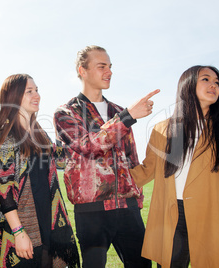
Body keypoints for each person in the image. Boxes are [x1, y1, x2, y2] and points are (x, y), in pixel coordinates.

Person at [130, 65, 219, 268]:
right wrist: (105, 170)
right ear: (188, 85)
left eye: (217, 82)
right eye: (206, 79)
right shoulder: (164, 129)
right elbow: (146, 171)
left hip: (215, 219)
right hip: (171, 218)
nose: (213, 85)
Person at [53, 45, 159, 268]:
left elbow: (131, 159)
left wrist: (137, 197)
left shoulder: (119, 110)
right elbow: (88, 146)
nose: (109, 71)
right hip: (92, 212)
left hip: (128, 208)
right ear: (83, 70)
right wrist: (128, 117)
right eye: (102, 66)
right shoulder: (66, 112)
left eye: (110, 66)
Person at [0, 74, 80, 268]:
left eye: (37, 90)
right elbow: (3, 189)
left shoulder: (39, 133)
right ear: (14, 97)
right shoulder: (5, 136)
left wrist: (61, 134)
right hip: (19, 225)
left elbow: (61, 161)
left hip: (45, 220)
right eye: (29, 91)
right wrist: (19, 232)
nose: (36, 95)